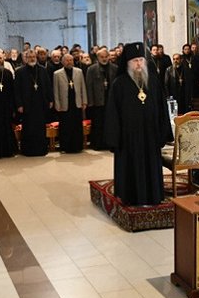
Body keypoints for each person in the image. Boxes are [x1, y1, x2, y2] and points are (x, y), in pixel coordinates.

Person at [104, 42, 173, 206]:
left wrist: (163, 133)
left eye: (141, 60)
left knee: (151, 166)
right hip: (129, 139)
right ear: (127, 63)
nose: (139, 64)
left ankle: (153, 195)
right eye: (135, 61)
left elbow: (162, 108)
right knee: (131, 168)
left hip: (150, 136)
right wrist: (115, 139)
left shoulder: (153, 82)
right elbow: (113, 113)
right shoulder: (119, 84)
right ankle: (131, 196)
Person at [14, 49, 53, 156]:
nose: (32, 59)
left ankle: (41, 149)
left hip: (40, 104)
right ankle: (28, 150)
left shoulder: (42, 70)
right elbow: (16, 90)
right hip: (27, 105)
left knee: (40, 128)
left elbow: (48, 86)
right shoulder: (20, 72)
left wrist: (50, 100)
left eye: (33, 57)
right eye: (29, 57)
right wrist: (19, 105)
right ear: (25, 59)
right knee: (28, 128)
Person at [53, 54, 87, 153]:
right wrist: (57, 104)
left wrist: (84, 101)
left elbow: (83, 87)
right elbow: (56, 90)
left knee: (77, 126)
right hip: (64, 103)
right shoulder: (57, 74)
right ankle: (65, 146)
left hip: (76, 102)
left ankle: (78, 146)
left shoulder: (79, 72)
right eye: (67, 60)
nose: (69, 62)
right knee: (65, 127)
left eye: (71, 60)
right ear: (63, 62)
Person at [85, 48, 117, 150]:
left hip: (111, 100)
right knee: (98, 124)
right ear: (98, 57)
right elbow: (88, 86)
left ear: (109, 57)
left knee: (110, 124)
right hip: (97, 101)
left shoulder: (115, 68)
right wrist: (90, 101)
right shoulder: (92, 69)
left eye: (106, 57)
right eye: (102, 57)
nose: (104, 59)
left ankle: (110, 143)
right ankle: (98, 144)